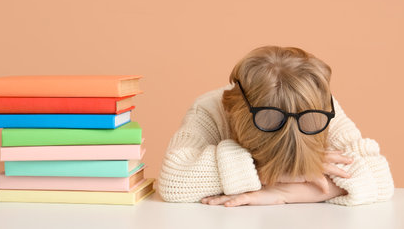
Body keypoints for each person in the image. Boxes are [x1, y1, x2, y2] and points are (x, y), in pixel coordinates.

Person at [157, 45, 394, 207]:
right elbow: (173, 179)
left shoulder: (320, 109)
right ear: (233, 111)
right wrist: (274, 171)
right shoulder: (209, 109)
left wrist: (283, 193)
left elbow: (380, 177)